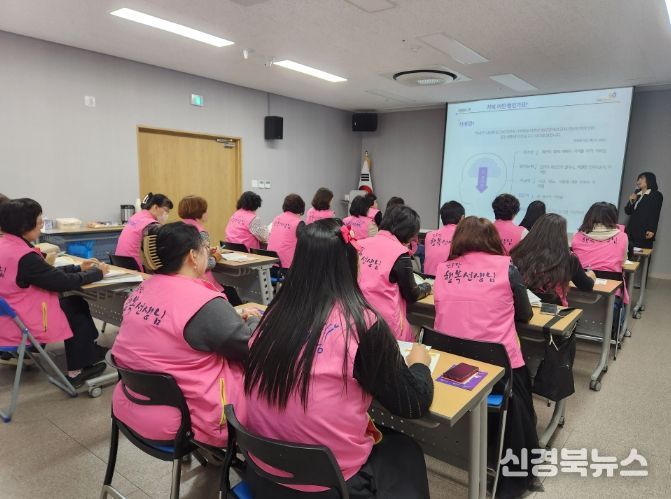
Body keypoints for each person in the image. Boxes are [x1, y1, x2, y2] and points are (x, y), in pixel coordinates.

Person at [243, 219, 433, 498]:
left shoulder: (273, 314)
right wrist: (419, 363)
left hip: (261, 474)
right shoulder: (362, 324)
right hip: (325, 486)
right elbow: (413, 403)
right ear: (349, 264)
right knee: (405, 450)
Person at [111, 222, 261, 447]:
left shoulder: (140, 290)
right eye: (204, 248)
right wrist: (254, 320)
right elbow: (250, 348)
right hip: (188, 421)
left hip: (132, 406)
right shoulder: (204, 304)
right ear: (193, 256)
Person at [432, 216, 539, 499]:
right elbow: (525, 314)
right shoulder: (507, 268)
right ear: (492, 240)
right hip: (499, 370)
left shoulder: (443, 269)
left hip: (450, 365)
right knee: (524, 389)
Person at [0, 198, 110, 386]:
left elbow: (42, 274)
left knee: (71, 304)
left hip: (7, 317)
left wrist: (77, 268)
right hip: (21, 323)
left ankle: (88, 348)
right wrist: (97, 273)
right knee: (74, 306)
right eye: (39, 221)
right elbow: (62, 283)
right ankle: (78, 371)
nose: (42, 225)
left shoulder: (6, 246)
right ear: (25, 226)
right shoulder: (24, 256)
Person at [357, 206, 431, 341]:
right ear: (409, 232)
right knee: (419, 329)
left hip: (356, 322)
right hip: (386, 328)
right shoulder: (399, 253)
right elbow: (412, 294)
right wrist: (427, 287)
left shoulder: (358, 245)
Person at [511, 214, 594, 305]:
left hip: (522, 305)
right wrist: (591, 277)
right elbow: (586, 286)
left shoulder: (520, 251)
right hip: (555, 309)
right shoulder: (569, 258)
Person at [571, 202, 629, 304]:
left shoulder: (577, 235)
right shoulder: (622, 237)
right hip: (610, 293)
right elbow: (623, 262)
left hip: (577, 290)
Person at [178, 195, 225, 293]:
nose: (207, 213)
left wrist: (207, 252)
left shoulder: (178, 227)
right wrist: (217, 256)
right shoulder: (200, 233)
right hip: (200, 282)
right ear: (200, 212)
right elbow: (204, 264)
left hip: (182, 279)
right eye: (205, 210)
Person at [115, 192, 173, 270]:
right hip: (134, 267)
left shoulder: (136, 217)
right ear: (155, 207)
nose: (166, 214)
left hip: (120, 264)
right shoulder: (150, 224)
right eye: (166, 210)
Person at [423, 201, 464, 276]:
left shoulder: (429, 235)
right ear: (462, 218)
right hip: (449, 280)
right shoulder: (464, 236)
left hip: (428, 280)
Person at [625, 172, 663, 250]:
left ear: (649, 180)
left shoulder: (656, 195)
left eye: (641, 178)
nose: (638, 181)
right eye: (638, 179)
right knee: (628, 255)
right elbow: (628, 211)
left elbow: (655, 213)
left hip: (644, 232)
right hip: (631, 231)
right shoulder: (636, 194)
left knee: (640, 255)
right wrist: (631, 201)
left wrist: (652, 229)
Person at [267, 194, 306, 268]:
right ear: (301, 208)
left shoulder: (277, 218)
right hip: (287, 267)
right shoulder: (298, 223)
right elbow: (306, 244)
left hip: (270, 264)